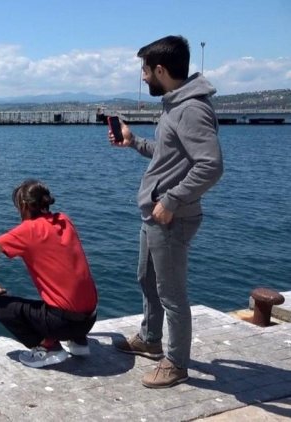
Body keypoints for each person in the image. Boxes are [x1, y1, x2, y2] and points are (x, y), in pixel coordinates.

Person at [109, 35, 223, 388]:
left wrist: (170, 200)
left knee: (172, 293)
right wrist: (133, 143)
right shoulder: (175, 105)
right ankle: (150, 339)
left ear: (160, 70)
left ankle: (176, 363)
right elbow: (168, 154)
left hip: (171, 217)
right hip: (155, 214)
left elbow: (211, 165)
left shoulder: (192, 109)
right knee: (146, 279)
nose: (143, 78)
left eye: (145, 71)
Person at [0, 179, 98, 368]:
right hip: (90, 318)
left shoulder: (28, 230)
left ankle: (48, 348)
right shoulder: (65, 220)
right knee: (64, 296)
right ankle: (78, 342)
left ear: (23, 205)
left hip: (62, 323)